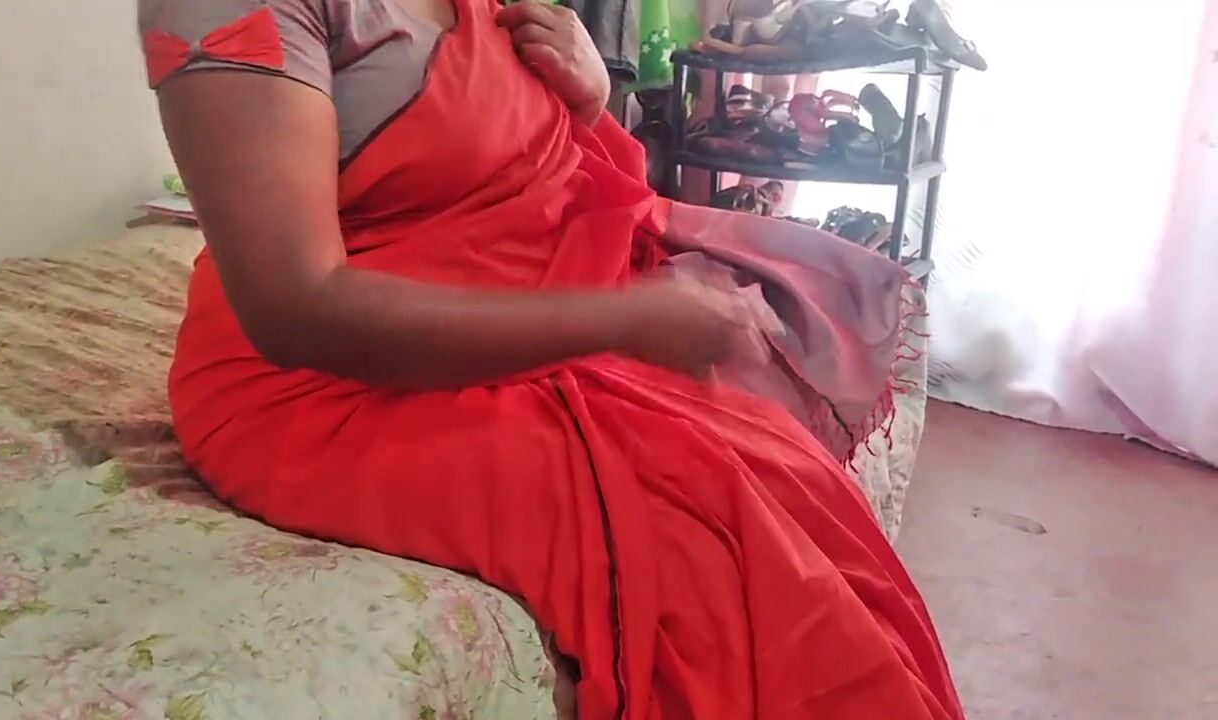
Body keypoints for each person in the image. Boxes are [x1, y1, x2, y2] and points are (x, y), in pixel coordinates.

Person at [139, 0, 964, 717]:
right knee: (717, 535)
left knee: (786, 456)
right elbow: (295, 308)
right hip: (324, 386)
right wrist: (621, 321)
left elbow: (502, 162)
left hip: (506, 301)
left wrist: (589, 101)